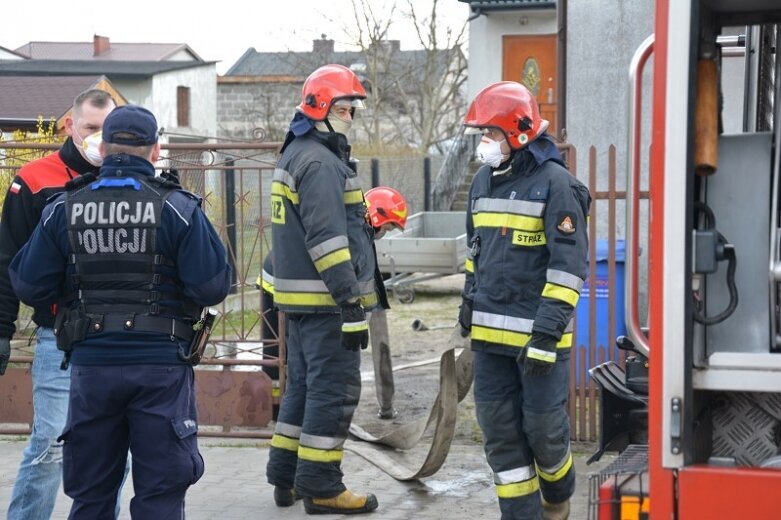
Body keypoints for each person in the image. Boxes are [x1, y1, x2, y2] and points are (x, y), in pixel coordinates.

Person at [9, 104, 232, 519]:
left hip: (91, 367)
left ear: (104, 148)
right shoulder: (179, 209)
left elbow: (27, 283)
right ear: (155, 151)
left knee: (91, 496)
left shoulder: (64, 207)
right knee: (160, 495)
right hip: (161, 368)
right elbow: (214, 285)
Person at [457, 82, 590, 520]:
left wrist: (547, 334)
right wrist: (468, 300)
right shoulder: (482, 182)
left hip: (540, 341)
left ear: (517, 133)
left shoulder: (558, 186)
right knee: (499, 431)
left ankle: (558, 494)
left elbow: (567, 269)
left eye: (490, 134)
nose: (483, 144)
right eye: (481, 135)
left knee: (544, 431)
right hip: (491, 340)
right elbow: (476, 251)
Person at [0, 89, 131, 520]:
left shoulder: (128, 179)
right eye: (91, 128)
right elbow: (7, 261)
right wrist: (2, 329)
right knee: (51, 444)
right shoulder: (36, 179)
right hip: (60, 338)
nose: (99, 138)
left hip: (117, 335)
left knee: (113, 450)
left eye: (106, 130)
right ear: (71, 126)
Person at [265, 63, 380, 515]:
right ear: (323, 108)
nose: (352, 116)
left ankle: (286, 477)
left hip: (301, 305)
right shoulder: (319, 161)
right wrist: (351, 304)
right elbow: (329, 242)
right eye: (348, 108)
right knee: (332, 393)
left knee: (303, 391)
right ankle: (322, 485)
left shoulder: (296, 154)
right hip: (329, 304)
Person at [258, 186, 408, 421]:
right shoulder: (352, 230)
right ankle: (275, 407)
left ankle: (285, 407)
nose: (386, 233)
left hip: (290, 279)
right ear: (378, 215)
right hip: (280, 283)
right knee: (278, 347)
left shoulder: (356, 226)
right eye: (389, 227)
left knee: (290, 348)